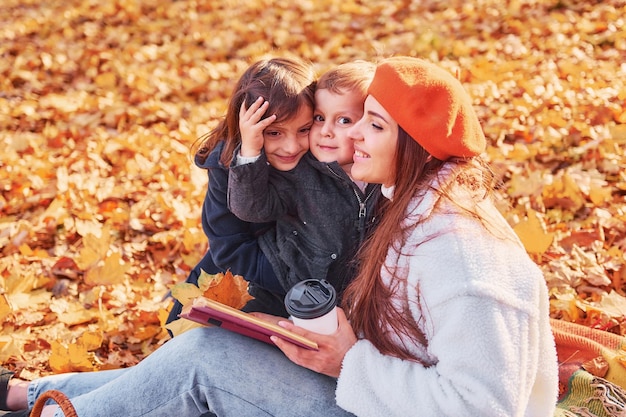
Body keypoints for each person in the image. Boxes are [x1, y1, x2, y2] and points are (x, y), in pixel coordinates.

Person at [0, 56, 558, 417]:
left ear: (413, 146)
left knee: (205, 361)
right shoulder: (410, 206)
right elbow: (235, 234)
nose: (347, 135)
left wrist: (349, 362)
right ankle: (35, 398)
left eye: (373, 124)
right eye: (353, 118)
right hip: (372, 384)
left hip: (370, 397)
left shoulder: (462, 255)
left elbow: (485, 407)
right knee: (206, 348)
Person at [166, 56, 317, 325]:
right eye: (274, 133)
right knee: (186, 327)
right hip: (247, 276)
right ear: (245, 128)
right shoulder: (226, 169)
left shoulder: (318, 158)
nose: (292, 146)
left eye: (303, 129)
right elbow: (229, 247)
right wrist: (250, 155)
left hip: (304, 279)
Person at [227, 60, 381, 300]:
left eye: (344, 120)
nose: (326, 131)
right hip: (291, 291)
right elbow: (250, 208)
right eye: (319, 118)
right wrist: (250, 151)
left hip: (355, 298)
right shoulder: (302, 172)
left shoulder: (383, 176)